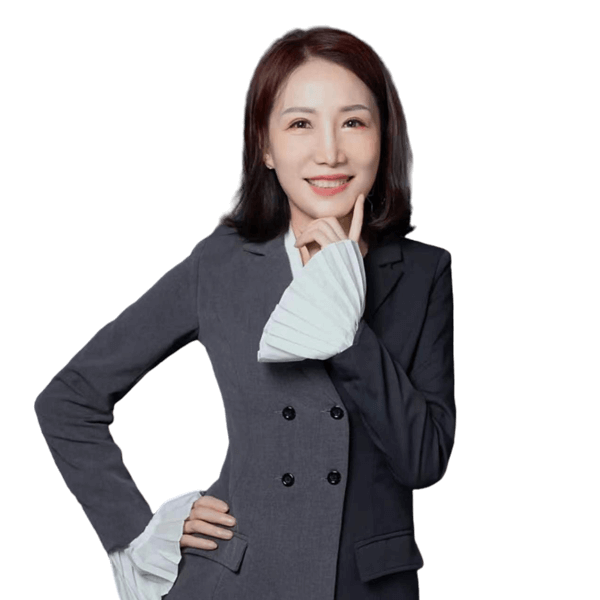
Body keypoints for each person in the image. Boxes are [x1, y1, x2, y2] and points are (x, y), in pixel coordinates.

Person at [34, 25, 455, 600]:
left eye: (353, 122)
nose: (330, 152)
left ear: (384, 137)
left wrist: (346, 327)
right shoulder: (222, 263)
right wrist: (137, 529)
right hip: (240, 580)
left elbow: (424, 460)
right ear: (265, 146)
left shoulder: (424, 272)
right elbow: (68, 398)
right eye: (300, 124)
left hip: (367, 585)